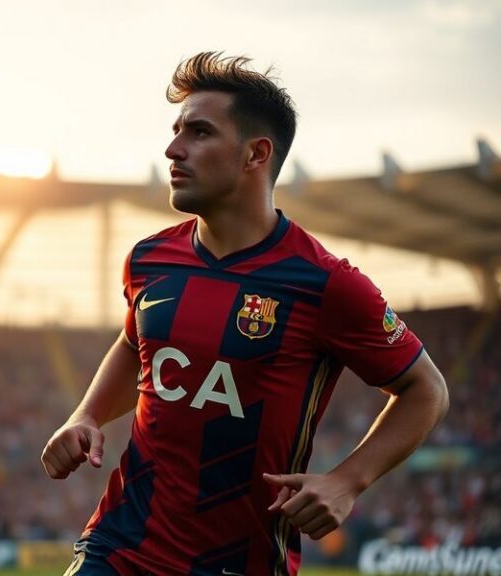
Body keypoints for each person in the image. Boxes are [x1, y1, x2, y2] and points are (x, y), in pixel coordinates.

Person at [41, 52, 449, 576]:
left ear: (256, 154)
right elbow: (134, 345)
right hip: (120, 548)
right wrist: (86, 415)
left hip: (240, 564)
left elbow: (427, 390)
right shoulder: (148, 260)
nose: (173, 148)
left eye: (199, 132)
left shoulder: (326, 283)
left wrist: (348, 480)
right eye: (176, 130)